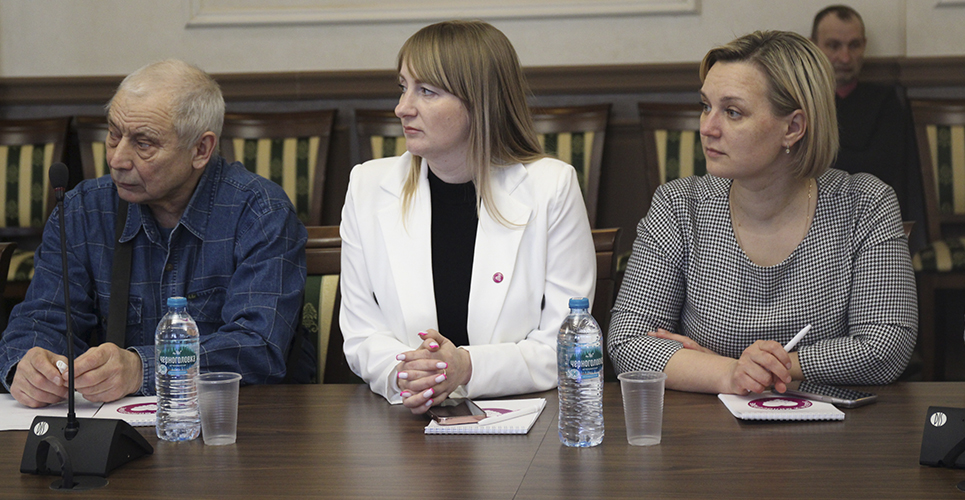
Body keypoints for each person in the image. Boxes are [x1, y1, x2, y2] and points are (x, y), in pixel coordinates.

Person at [607, 31, 917, 395]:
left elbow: (886, 346)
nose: (707, 128)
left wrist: (765, 369)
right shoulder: (678, 204)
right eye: (706, 106)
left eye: (732, 112)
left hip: (831, 427)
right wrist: (730, 372)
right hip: (708, 425)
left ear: (793, 127)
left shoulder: (865, 203)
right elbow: (627, 342)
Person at [0, 60, 307, 407]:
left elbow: (258, 346)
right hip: (108, 424)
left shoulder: (260, 213)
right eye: (113, 134)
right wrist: (28, 365)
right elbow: (41, 320)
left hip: (232, 423)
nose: (117, 159)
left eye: (143, 143)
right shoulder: (82, 211)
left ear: (201, 150)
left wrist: (142, 368)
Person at [340, 20, 596, 413]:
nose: (402, 107)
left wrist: (467, 367)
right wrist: (408, 374)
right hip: (405, 423)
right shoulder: (367, 186)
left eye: (426, 91)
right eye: (403, 87)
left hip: (523, 422)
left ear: (480, 102)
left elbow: (563, 342)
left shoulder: (552, 186)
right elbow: (361, 334)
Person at [811, 5, 922, 226]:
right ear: (813, 45)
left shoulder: (885, 101)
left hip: (871, 217)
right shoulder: (801, 103)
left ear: (864, 45)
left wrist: (825, 160)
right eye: (833, 45)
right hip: (810, 217)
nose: (845, 58)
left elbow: (886, 168)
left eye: (854, 45)